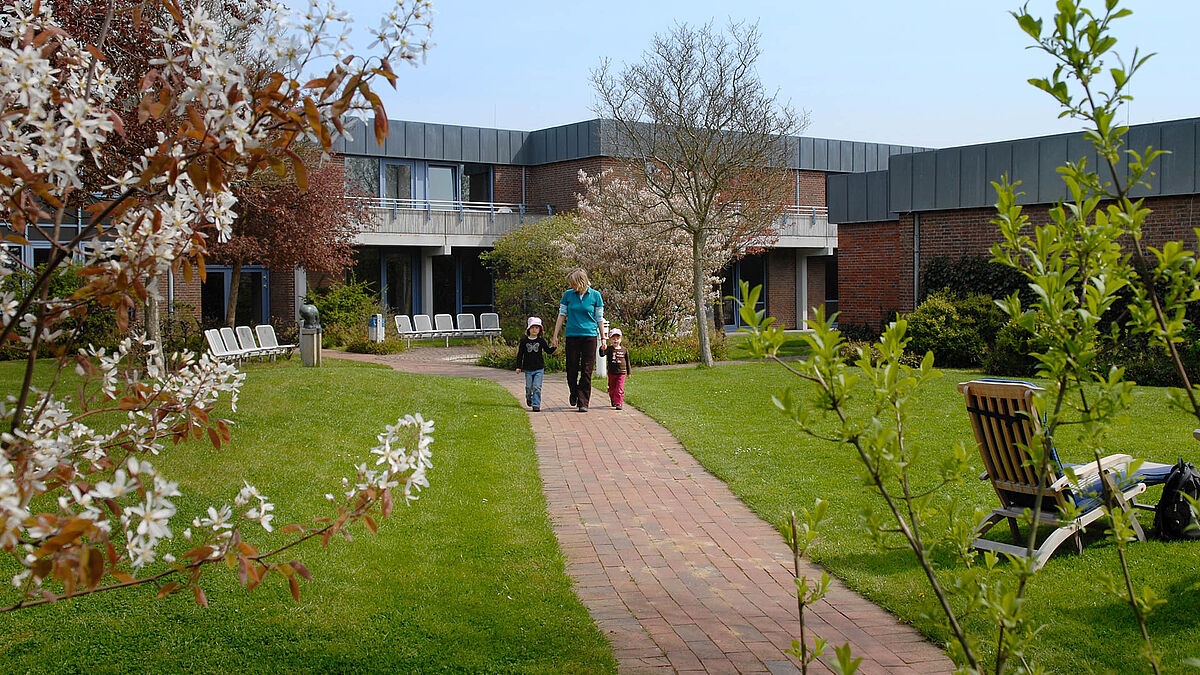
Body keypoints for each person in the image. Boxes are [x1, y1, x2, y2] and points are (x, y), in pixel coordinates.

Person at [550, 268, 604, 412]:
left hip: (589, 336)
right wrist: (555, 335)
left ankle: (583, 402)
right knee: (571, 368)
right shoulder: (568, 295)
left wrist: (603, 338)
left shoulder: (596, 296)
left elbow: (599, 319)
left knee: (586, 370)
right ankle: (574, 392)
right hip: (572, 336)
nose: (571, 286)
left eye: (573, 283)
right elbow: (561, 315)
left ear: (581, 282)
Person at [515, 317, 555, 412]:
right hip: (528, 369)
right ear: (528, 329)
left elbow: (548, 351)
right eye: (532, 327)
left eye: (537, 328)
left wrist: (554, 347)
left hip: (539, 368)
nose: (534, 330)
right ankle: (529, 397)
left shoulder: (541, 341)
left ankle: (536, 404)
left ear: (540, 329)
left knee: (537, 387)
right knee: (529, 387)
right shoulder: (524, 341)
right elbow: (520, 355)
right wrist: (518, 366)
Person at [600, 327, 632, 410]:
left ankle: (619, 403)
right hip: (612, 372)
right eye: (613, 339)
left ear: (620, 339)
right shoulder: (610, 349)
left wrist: (629, 372)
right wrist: (602, 348)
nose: (615, 340)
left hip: (621, 372)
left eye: (617, 338)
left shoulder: (624, 350)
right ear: (610, 340)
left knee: (619, 388)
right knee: (612, 388)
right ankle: (613, 399)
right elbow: (602, 354)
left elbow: (627, 361)